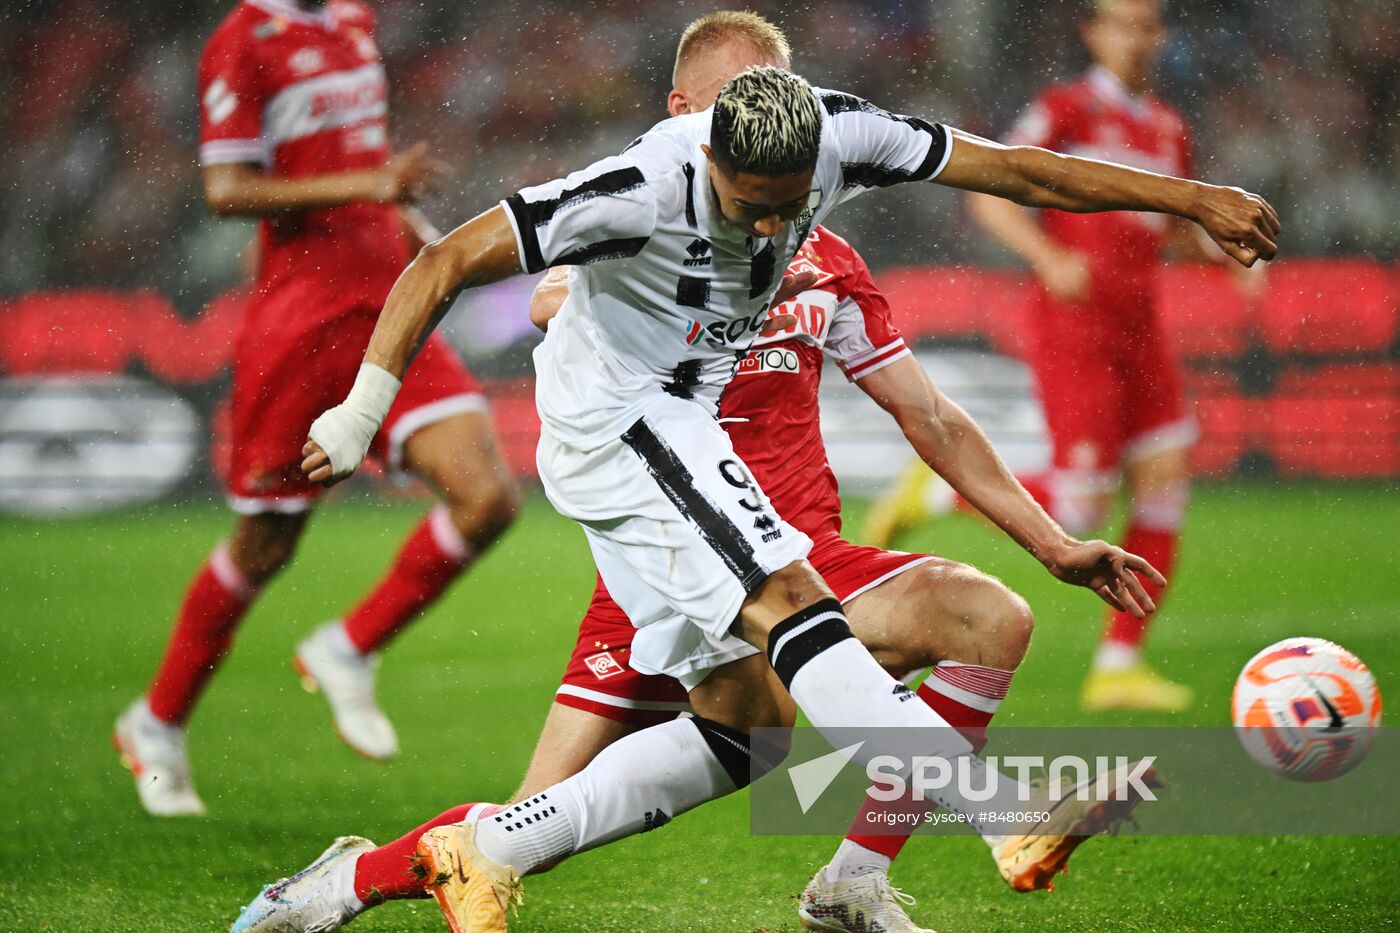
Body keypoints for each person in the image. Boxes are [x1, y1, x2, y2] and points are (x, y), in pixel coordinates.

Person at [244, 46, 1276, 933]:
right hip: (620, 423)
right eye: (748, 206)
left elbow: (1019, 173)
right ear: (706, 155)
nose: (767, 230)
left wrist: (1188, 198)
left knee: (745, 731)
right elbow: (441, 260)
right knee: (792, 600)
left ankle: (382, 875)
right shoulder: (635, 189)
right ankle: (1003, 816)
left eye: (789, 208)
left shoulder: (841, 139)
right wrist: (361, 410)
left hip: (682, 443)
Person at [112, 0, 520, 817]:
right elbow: (225, 189)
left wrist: (417, 231)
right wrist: (368, 184)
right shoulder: (242, 39)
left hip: (386, 305)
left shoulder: (352, 21)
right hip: (299, 324)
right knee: (265, 544)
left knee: (488, 498)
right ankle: (156, 722)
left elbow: (369, 169)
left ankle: (349, 645)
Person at [863, 0, 1262, 713]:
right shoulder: (1065, 110)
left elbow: (1164, 226)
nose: (1136, 38)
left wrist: (1222, 252)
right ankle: (941, 492)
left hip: (1143, 326)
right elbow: (991, 195)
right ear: (1093, 32)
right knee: (1084, 503)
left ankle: (1117, 665)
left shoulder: (1169, 128)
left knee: (1166, 477)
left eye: (1147, 26)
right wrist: (1046, 254)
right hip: (1076, 326)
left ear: (1161, 35)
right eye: (1122, 24)